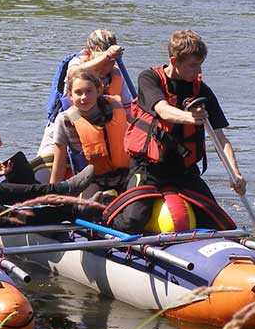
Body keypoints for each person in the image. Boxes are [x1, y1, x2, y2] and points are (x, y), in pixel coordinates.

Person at [103, 30, 244, 233]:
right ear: (174, 61)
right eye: (192, 65)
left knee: (218, 224)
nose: (198, 70)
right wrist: (190, 117)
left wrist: (235, 174)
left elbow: (221, 139)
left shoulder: (202, 90)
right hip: (148, 168)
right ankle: (106, 206)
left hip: (184, 171)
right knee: (133, 221)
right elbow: (162, 109)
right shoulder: (149, 79)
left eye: (200, 64)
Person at [35, 29, 133, 181]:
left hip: (99, 126)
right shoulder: (77, 64)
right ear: (90, 52)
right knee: (41, 175)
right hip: (66, 124)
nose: (106, 65)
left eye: (110, 61)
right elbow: (73, 73)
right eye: (102, 59)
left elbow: (129, 112)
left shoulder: (116, 75)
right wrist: (106, 56)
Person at [49, 69, 129, 201]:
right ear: (70, 96)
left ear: (99, 90)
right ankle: (104, 199)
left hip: (124, 173)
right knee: (87, 207)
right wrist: (51, 196)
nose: (84, 97)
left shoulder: (114, 106)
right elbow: (59, 164)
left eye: (89, 91)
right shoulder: (64, 120)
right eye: (78, 93)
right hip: (92, 179)